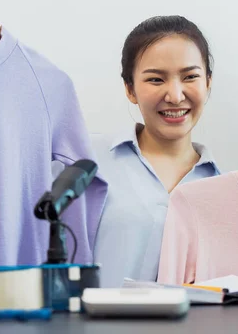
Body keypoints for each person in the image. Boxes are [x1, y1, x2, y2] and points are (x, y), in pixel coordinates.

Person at [92, 15, 220, 287]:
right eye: (155, 80)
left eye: (190, 77)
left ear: (208, 82)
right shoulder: (88, 163)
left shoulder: (225, 188)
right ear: (130, 89)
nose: (175, 95)